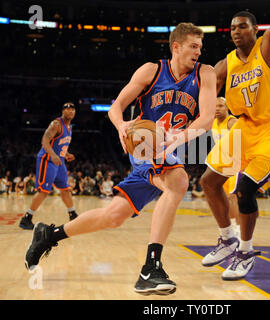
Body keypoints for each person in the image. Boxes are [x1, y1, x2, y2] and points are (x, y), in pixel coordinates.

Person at [25, 22, 216, 296]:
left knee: (113, 216)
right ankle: (151, 268)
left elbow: (206, 118)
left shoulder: (204, 74)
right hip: (145, 148)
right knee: (178, 183)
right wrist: (122, 126)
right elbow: (116, 108)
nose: (199, 52)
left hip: (173, 148)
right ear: (177, 47)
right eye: (194, 46)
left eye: (201, 47)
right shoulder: (152, 70)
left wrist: (179, 138)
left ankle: (48, 235)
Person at [200, 2, 270, 281]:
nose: (236, 31)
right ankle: (227, 239)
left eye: (242, 26)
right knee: (208, 182)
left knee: (244, 189)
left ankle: (245, 252)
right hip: (246, 127)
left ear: (255, 29)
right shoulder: (226, 64)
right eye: (232, 27)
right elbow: (206, 91)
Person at [19, 102, 78, 230]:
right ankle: (26, 219)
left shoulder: (69, 127)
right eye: (68, 109)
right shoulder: (56, 124)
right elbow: (45, 141)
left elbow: (59, 144)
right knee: (44, 191)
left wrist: (66, 154)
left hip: (59, 161)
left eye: (73, 110)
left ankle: (73, 214)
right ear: (63, 111)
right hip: (48, 159)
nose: (71, 111)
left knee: (65, 189)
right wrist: (53, 155)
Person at [211, 97, 239, 236]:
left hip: (235, 164)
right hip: (221, 164)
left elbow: (245, 141)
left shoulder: (232, 122)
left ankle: (238, 227)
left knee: (234, 197)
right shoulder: (213, 123)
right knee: (223, 197)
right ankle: (229, 226)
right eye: (215, 106)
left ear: (227, 108)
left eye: (221, 106)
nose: (217, 108)